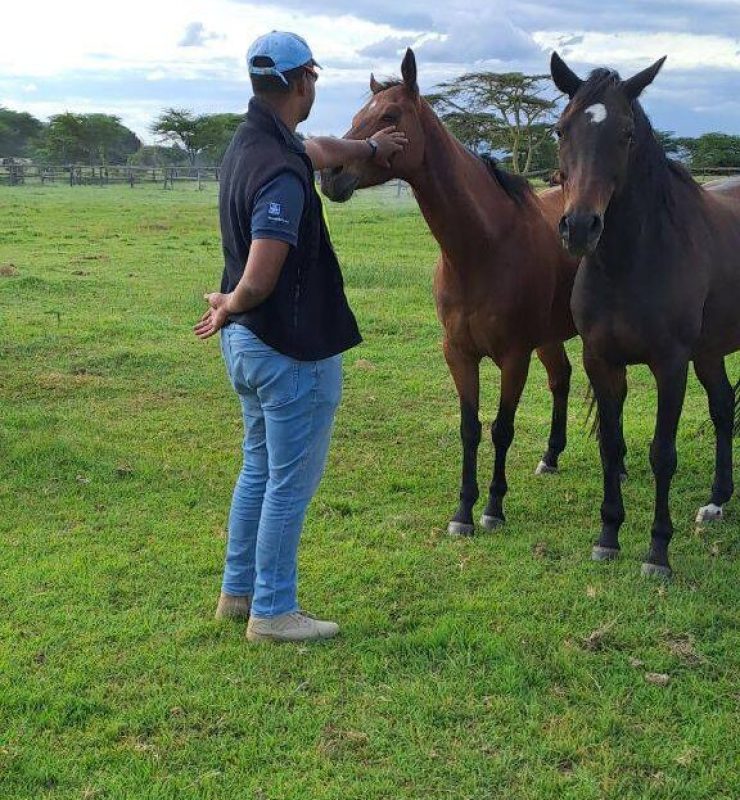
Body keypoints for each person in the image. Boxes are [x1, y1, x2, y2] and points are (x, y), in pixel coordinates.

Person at [194, 31, 407, 643]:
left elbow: (314, 148)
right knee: (288, 483)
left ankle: (238, 595)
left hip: (250, 347)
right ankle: (274, 611)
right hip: (289, 351)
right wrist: (230, 300)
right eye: (313, 76)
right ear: (301, 81)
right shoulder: (282, 174)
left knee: (258, 469)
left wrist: (367, 145)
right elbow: (261, 275)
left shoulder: (252, 142)